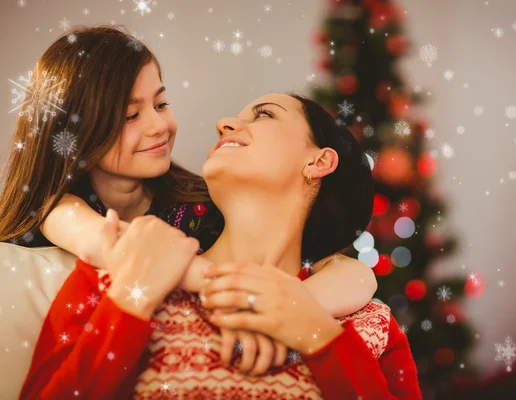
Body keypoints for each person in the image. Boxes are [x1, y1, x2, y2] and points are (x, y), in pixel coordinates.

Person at [0, 25, 376, 383]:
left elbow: (351, 272)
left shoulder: (202, 206)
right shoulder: (58, 212)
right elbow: (115, 246)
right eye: (131, 115)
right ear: (76, 135)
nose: (159, 125)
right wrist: (244, 300)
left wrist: (290, 308)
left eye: (161, 103)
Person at [21, 93, 422, 399]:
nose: (224, 123)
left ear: (318, 162)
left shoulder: (369, 323)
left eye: (263, 114)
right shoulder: (122, 268)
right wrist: (131, 301)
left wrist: (316, 333)